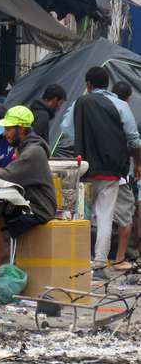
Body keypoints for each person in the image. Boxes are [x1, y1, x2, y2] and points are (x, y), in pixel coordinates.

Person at [61, 67, 141, 280]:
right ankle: (98, 265)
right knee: (105, 217)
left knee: (82, 216)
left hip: (84, 168)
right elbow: (134, 139)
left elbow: (66, 128)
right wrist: (138, 163)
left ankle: (77, 261)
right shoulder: (121, 105)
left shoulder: (81, 103)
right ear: (107, 84)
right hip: (111, 171)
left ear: (88, 85)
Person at [0, 106, 56, 280]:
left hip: (38, 209)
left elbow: (7, 175)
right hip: (29, 203)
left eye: (8, 129)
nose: (4, 133)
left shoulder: (32, 152)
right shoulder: (27, 148)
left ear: (21, 129)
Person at [110, 81, 136, 271]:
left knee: (101, 217)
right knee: (126, 218)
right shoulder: (124, 111)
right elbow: (134, 141)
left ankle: (98, 257)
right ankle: (119, 259)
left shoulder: (101, 109)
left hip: (94, 172)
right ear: (128, 98)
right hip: (119, 174)